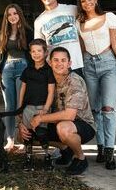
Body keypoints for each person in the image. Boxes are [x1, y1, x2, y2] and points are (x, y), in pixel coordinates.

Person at [76, 0, 116, 170]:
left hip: (108, 64)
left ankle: (110, 151)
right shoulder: (79, 22)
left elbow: (115, 44)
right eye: (83, 1)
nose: (87, 3)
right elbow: (80, 49)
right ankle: (101, 148)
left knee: (108, 109)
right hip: (88, 66)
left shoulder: (109, 17)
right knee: (95, 110)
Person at [19, 47, 96, 175]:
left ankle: (80, 158)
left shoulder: (74, 81)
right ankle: (66, 149)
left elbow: (70, 115)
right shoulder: (46, 80)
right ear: (50, 62)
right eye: (55, 60)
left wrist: (40, 118)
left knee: (63, 128)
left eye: (63, 60)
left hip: (82, 124)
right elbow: (31, 102)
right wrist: (22, 123)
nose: (59, 63)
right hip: (55, 123)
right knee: (24, 135)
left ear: (69, 63)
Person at [0, 3, 33, 151]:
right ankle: (10, 139)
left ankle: (24, 140)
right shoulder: (1, 34)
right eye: (9, 14)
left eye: (15, 13)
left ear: (20, 15)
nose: (12, 17)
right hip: (7, 70)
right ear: (6, 17)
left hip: (23, 68)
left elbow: (32, 53)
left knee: (21, 105)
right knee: (9, 106)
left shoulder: (28, 32)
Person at [18, 38, 55, 171]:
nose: (36, 53)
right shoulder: (27, 70)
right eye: (33, 51)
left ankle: (46, 156)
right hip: (28, 106)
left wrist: (46, 108)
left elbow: (51, 91)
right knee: (27, 133)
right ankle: (28, 157)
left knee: (41, 133)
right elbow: (22, 89)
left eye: (39, 51)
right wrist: (20, 107)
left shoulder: (49, 71)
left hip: (42, 108)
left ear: (45, 53)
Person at [34, 0, 84, 76]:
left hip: (75, 64)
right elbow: (39, 47)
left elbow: (92, 17)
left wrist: (113, 28)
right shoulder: (39, 21)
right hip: (55, 67)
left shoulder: (73, 9)